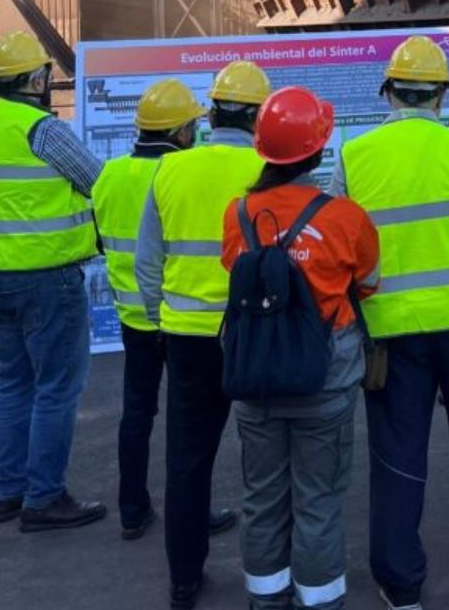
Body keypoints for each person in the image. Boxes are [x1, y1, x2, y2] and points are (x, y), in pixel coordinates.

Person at [330, 35, 449, 610]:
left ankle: (400, 582)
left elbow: (340, 251)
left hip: (390, 332)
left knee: (397, 453)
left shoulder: (354, 156)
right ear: (442, 95)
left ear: (388, 92)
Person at [221, 87, 380, 610]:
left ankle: (266, 600)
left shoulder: (238, 213)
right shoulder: (344, 216)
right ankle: (320, 601)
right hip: (324, 381)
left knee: (262, 499)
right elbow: (369, 282)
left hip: (255, 378)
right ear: (318, 151)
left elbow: (234, 272)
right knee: (318, 502)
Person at [0, 31, 107, 532]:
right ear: (37, 78)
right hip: (46, 277)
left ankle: (10, 493)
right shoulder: (42, 129)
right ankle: (45, 498)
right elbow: (98, 182)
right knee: (58, 388)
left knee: (13, 381)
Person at [135, 60, 269, 609]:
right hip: (254, 334)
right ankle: (269, 575)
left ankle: (184, 579)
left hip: (187, 337)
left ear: (211, 114)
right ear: (260, 117)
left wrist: (164, 318)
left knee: (188, 460)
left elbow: (148, 264)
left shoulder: (170, 171)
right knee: (264, 456)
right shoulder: (267, 171)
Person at [91, 79, 235, 541]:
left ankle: (132, 509)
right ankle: (194, 510)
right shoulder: (182, 174)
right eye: (191, 125)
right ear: (178, 133)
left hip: (133, 317)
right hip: (179, 315)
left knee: (137, 413)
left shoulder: (108, 174)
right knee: (188, 427)